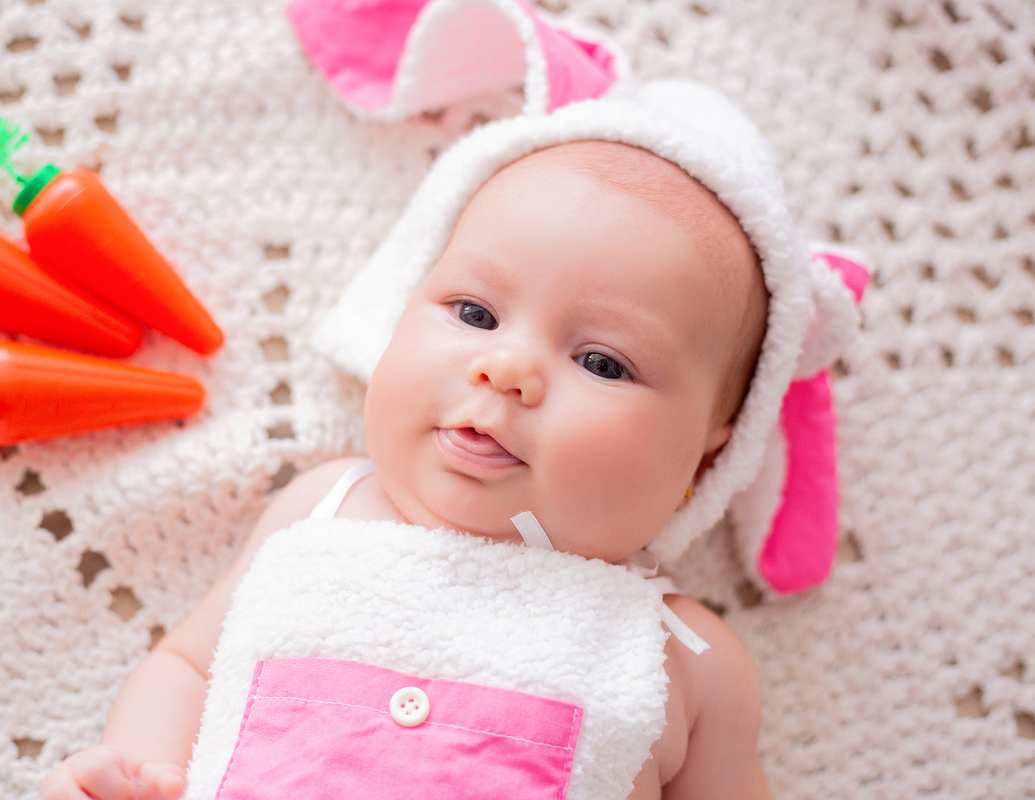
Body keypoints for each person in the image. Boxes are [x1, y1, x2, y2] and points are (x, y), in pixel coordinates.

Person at [43, 81, 844, 800]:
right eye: (474, 314)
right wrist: (137, 771)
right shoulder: (320, 515)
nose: (506, 369)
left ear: (703, 461)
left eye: (602, 361)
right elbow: (186, 670)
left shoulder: (684, 659)